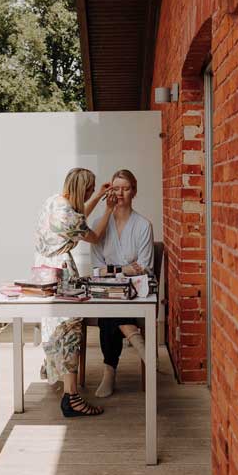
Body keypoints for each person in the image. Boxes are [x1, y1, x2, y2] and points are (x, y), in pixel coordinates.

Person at [34, 167, 118, 417]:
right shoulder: (69, 218)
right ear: (83, 189)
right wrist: (109, 209)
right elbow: (93, 236)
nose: (92, 192)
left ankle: (56, 374)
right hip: (60, 275)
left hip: (43, 271)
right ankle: (71, 398)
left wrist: (97, 198)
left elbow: (78, 215)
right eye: (90, 189)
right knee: (69, 329)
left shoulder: (54, 202)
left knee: (55, 328)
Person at [89, 169, 154, 397]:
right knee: (110, 301)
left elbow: (144, 266)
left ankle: (109, 373)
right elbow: (96, 270)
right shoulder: (99, 224)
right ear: (110, 192)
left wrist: (112, 271)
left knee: (111, 305)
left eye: (126, 188)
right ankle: (136, 341)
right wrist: (122, 269)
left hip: (136, 287)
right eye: (116, 188)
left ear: (133, 192)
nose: (120, 193)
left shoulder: (143, 225)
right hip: (109, 288)